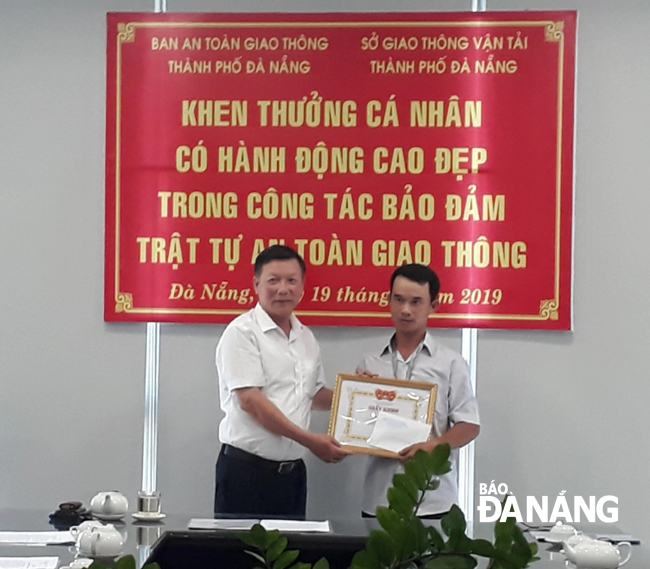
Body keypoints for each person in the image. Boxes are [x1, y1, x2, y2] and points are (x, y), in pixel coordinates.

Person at [214, 245, 347, 519]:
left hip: (293, 474)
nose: (282, 289)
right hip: (246, 474)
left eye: (291, 280)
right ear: (256, 284)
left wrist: (362, 395)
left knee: (290, 558)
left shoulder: (306, 337)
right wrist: (310, 441)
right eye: (273, 280)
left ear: (302, 287)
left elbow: (314, 395)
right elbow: (252, 403)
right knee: (241, 559)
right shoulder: (242, 333)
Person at [357, 264, 480, 518]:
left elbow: (469, 425)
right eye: (399, 300)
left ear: (433, 306)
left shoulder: (451, 363)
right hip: (379, 501)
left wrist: (433, 447)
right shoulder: (370, 363)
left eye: (416, 302)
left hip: (432, 501)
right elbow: (356, 430)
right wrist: (356, 401)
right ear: (388, 300)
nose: (405, 310)